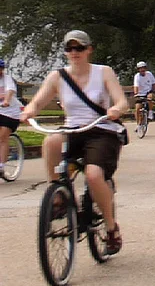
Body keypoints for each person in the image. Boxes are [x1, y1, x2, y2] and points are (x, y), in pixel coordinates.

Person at [21, 30, 128, 255]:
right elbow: (38, 102)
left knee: (93, 175)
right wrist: (29, 111)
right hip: (73, 130)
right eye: (69, 49)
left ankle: (111, 228)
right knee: (51, 142)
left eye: (79, 48)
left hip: (101, 129)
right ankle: (58, 193)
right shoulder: (57, 76)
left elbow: (121, 101)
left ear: (89, 49)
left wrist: (116, 109)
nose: (74, 53)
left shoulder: (103, 72)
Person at [0, 59, 23, 179]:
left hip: (11, 113)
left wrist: (6, 100)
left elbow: (10, 90)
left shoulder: (7, 79)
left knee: (3, 137)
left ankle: (1, 166)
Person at [133, 61, 155, 130]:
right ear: (138, 69)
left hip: (148, 92)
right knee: (137, 108)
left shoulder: (149, 74)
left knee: (150, 97)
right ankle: (138, 124)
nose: (142, 70)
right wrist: (136, 94)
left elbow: (154, 83)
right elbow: (136, 86)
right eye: (140, 68)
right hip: (140, 94)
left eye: (143, 68)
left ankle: (150, 112)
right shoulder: (137, 76)